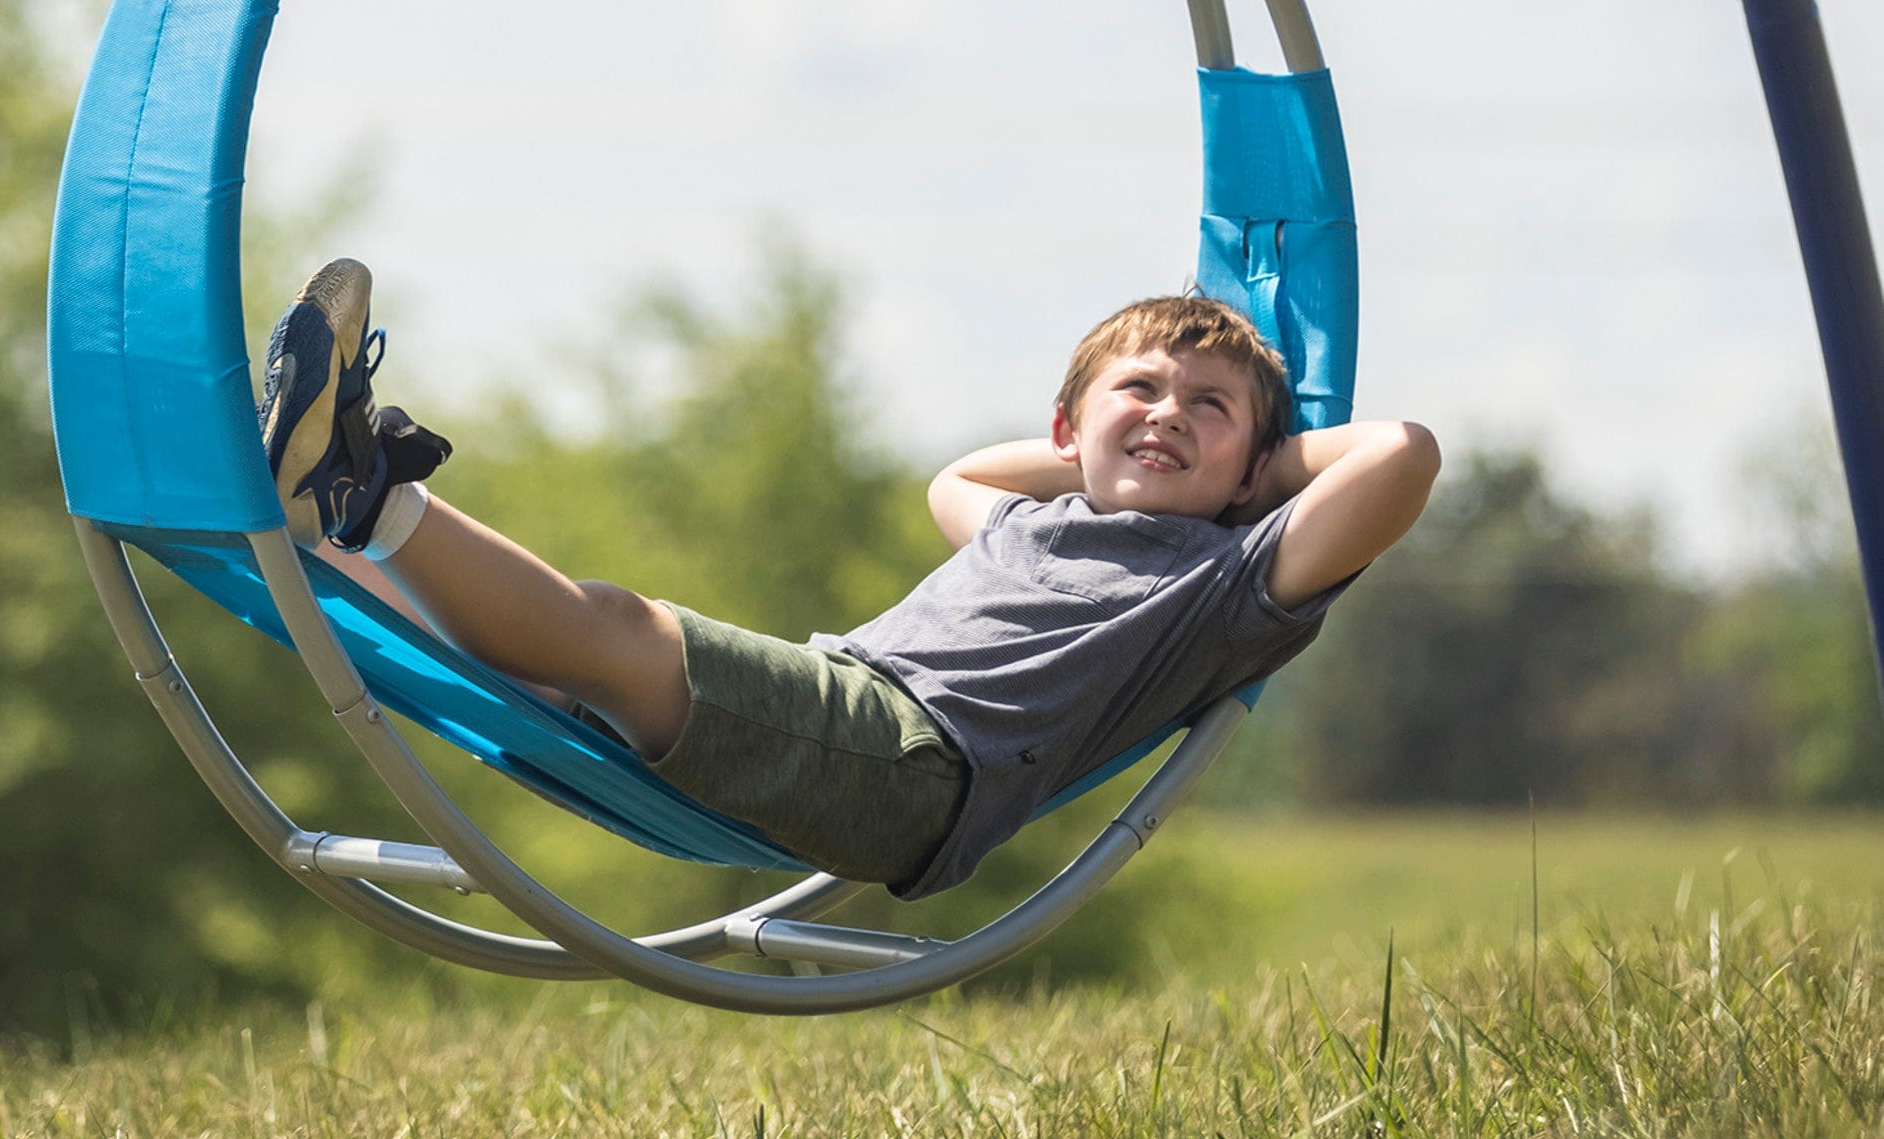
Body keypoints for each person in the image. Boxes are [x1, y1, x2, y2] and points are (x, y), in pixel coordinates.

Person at [258, 259, 1439, 901]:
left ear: (1255, 468)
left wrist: (1261, 475)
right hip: (850, 710)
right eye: (1141, 391)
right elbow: (956, 475)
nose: (1169, 415)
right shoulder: (1027, 523)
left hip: (917, 764)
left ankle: (367, 489)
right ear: (1071, 426)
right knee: (543, 665)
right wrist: (1102, 444)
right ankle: (332, 519)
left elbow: (1399, 457)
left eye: (1208, 410)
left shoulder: (1226, 579)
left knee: (617, 628)